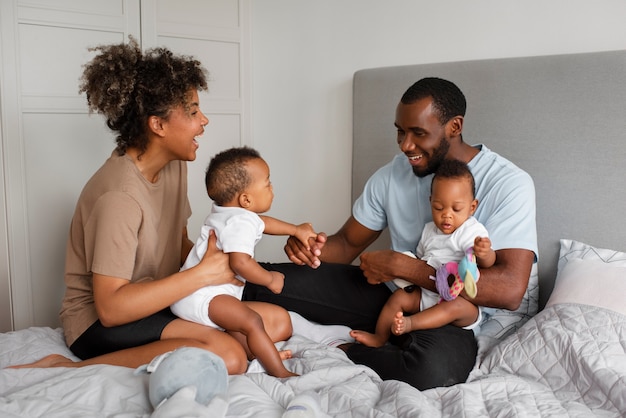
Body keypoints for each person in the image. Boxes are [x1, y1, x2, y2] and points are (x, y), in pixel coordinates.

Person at [243, 77, 538, 390]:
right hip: (395, 297)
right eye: (400, 131)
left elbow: (509, 289)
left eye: (418, 133)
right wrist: (309, 247)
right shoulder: (391, 175)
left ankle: (343, 348)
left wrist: (406, 268)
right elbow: (345, 245)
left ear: (454, 127)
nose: (405, 145)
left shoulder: (509, 183)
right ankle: (195, 312)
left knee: (430, 372)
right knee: (263, 280)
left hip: (455, 315)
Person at [9, 38, 284, 374]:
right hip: (98, 323)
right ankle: (65, 368)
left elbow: (177, 244)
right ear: (158, 125)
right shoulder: (119, 197)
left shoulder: (175, 164)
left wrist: (222, 264)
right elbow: (110, 309)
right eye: (194, 111)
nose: (205, 121)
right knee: (230, 356)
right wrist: (201, 276)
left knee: (276, 322)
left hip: (159, 300)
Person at [171, 146, 318, 378]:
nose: (272, 189)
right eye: (268, 183)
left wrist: (295, 229)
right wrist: (270, 279)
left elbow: (263, 223)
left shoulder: (227, 213)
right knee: (251, 321)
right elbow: (240, 263)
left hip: (190, 294)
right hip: (204, 296)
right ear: (246, 199)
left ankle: (262, 353)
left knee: (237, 326)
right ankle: (279, 371)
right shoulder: (241, 223)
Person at [350, 159, 496, 348]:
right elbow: (420, 261)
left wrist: (485, 253)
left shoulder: (471, 231)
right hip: (427, 294)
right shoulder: (428, 231)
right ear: (430, 202)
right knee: (398, 298)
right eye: (438, 207)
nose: (447, 215)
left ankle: (411, 323)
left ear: (472, 207)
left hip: (458, 302)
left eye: (456, 209)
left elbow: (488, 264)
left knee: (456, 307)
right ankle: (379, 337)